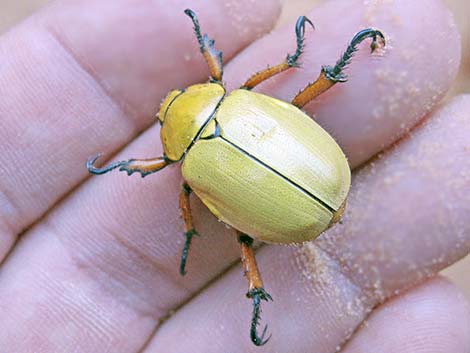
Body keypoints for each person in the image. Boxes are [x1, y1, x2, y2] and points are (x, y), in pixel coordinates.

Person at [0, 0, 468, 352]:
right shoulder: (236, 95)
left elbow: (177, 189)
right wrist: (290, 59)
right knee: (298, 103)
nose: (168, 103)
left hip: (309, 194)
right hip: (320, 180)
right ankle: (339, 68)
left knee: (242, 236)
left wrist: (123, 170)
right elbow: (279, 69)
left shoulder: (185, 169)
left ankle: (256, 290)